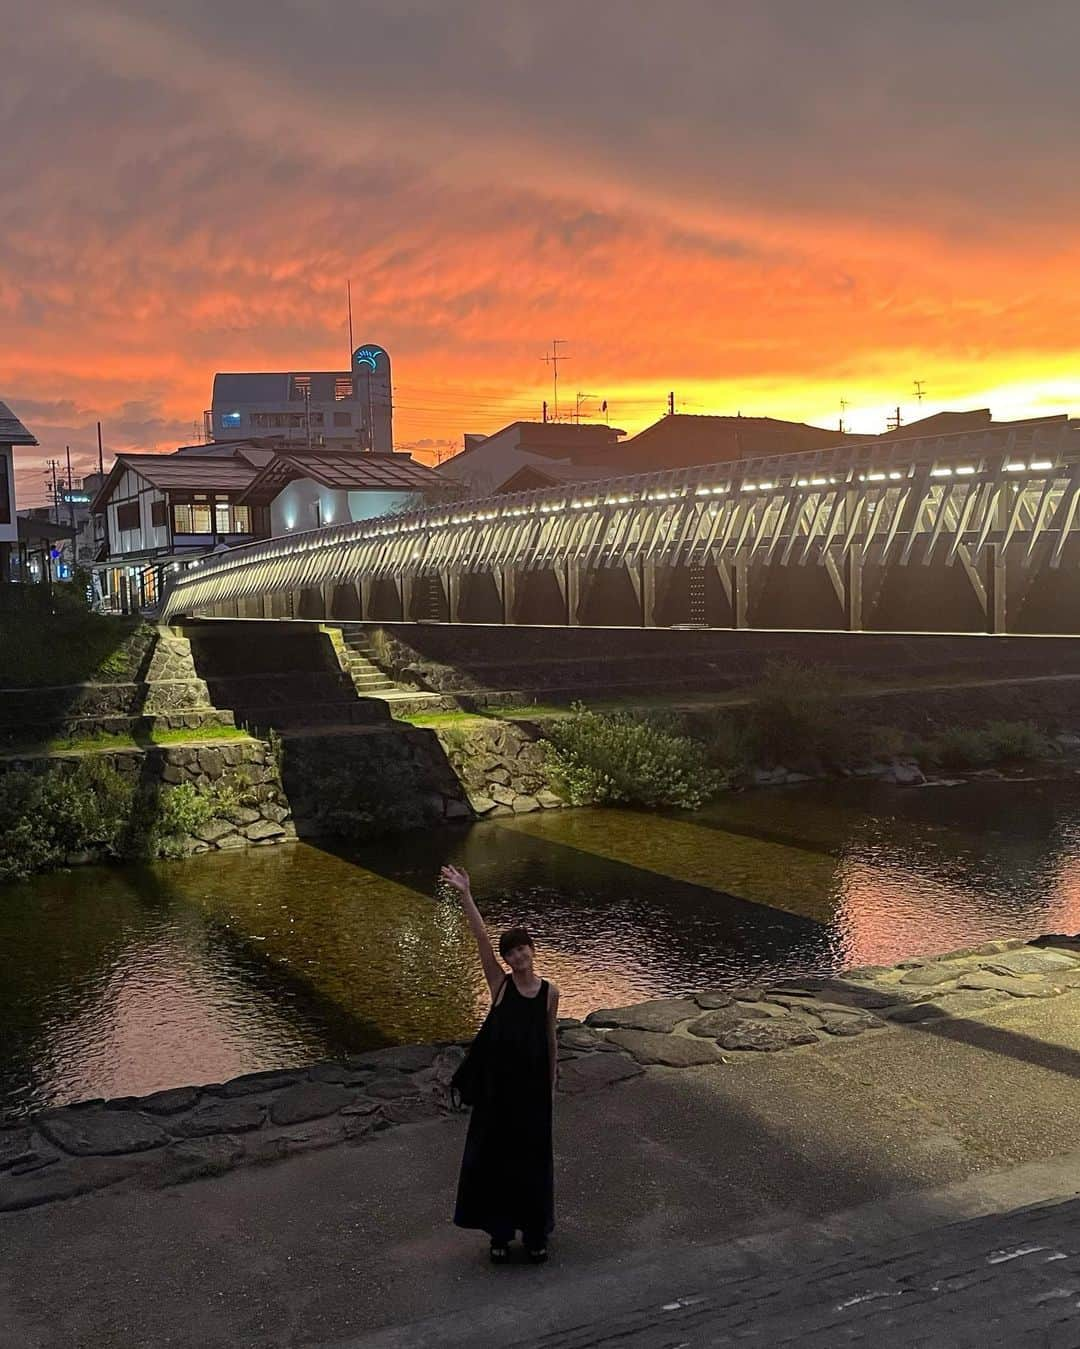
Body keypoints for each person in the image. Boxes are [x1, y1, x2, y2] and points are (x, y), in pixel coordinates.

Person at [440, 863, 558, 1264]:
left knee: (533, 1160)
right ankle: (500, 1235)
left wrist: (552, 1080)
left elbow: (550, 1038)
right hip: (498, 1092)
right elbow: (480, 940)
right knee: (495, 1161)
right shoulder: (501, 985)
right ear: (507, 958)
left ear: (532, 950)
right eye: (511, 951)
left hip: (532, 1089)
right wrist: (465, 894)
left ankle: (536, 1234)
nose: (517, 954)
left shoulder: (549, 993)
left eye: (522, 947)